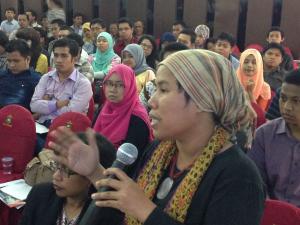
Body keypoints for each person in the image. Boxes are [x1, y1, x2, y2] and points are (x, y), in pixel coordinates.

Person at [50, 49, 265, 225]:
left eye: (163, 89)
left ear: (202, 99)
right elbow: (125, 214)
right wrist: (95, 172)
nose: (151, 101)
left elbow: (138, 209)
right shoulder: (159, 151)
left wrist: (145, 209)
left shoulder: (239, 177)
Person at [19, 132, 116, 225]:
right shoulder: (40, 194)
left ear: (91, 175)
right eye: (56, 166)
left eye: (66, 170)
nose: (56, 176)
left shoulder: (105, 213)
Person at [248, 70, 300, 207]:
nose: (287, 107)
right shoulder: (264, 135)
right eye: (283, 98)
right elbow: (256, 183)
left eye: (296, 101)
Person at [30, 38, 93, 127]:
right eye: (56, 55)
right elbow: (34, 105)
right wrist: (57, 104)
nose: (58, 60)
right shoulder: (46, 78)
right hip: (41, 125)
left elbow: (70, 113)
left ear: (74, 59)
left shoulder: (83, 84)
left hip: (66, 129)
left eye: (64, 56)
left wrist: (45, 104)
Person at [93, 64, 153, 155]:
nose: (113, 89)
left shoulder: (137, 118)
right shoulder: (105, 108)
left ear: (130, 86)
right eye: (109, 83)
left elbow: (131, 161)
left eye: (120, 85)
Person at [0, 39, 40, 110]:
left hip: (21, 118)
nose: (12, 65)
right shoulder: (2, 75)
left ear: (28, 59)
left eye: (16, 61)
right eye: (9, 61)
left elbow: (40, 110)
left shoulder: (36, 81)